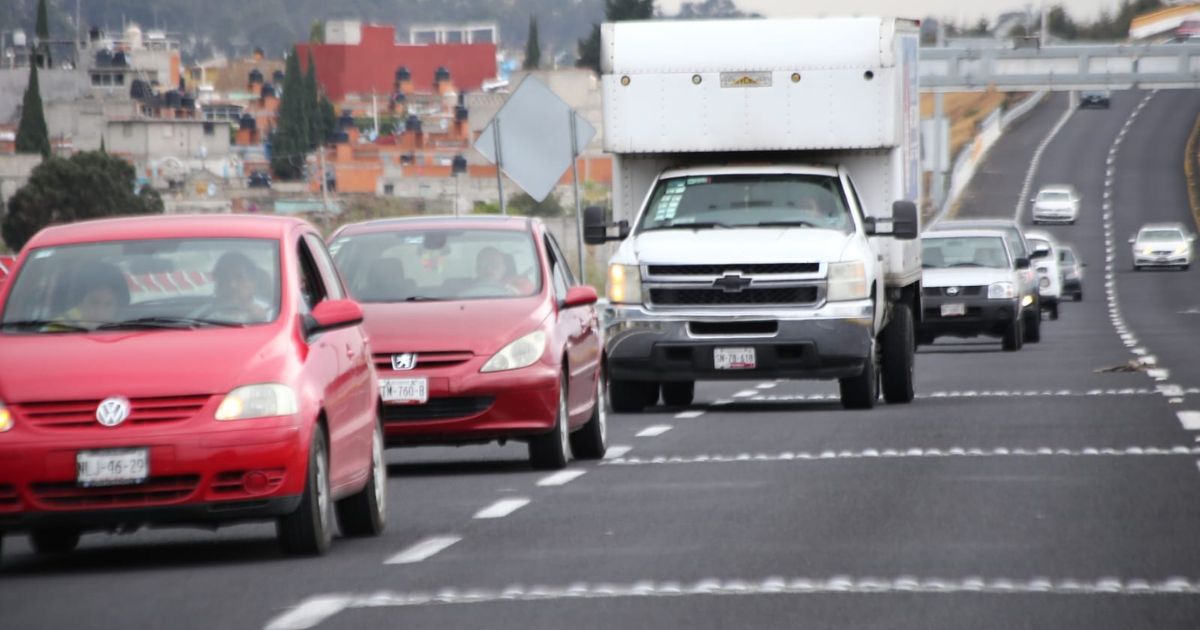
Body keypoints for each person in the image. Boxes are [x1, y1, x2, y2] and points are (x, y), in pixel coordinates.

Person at [48, 263, 130, 330]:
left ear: (117, 307)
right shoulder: (57, 330)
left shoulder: (129, 330)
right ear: (80, 303)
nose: (99, 312)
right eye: (94, 303)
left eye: (108, 304)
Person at [201, 251, 270, 322]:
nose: (232, 285)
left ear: (253, 283)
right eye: (226, 278)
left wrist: (262, 321)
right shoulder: (202, 316)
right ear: (217, 282)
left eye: (240, 278)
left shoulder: (271, 314)